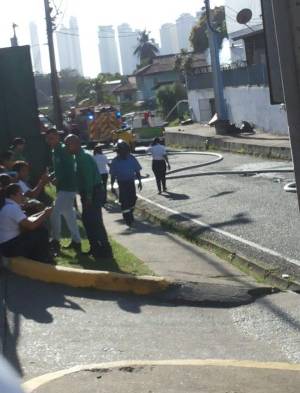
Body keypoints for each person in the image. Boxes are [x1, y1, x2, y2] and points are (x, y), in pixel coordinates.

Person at [65, 134, 112, 258]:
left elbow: (88, 179)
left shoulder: (83, 158)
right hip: (88, 192)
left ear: (75, 144)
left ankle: (104, 250)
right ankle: (95, 248)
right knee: (88, 221)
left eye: (68, 145)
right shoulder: (79, 156)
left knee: (95, 221)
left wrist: (89, 197)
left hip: (92, 192)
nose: (66, 148)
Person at [45, 128, 81, 254]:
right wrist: (53, 175)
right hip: (64, 188)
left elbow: (69, 168)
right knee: (68, 215)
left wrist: (57, 179)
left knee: (54, 212)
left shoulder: (62, 149)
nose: (50, 141)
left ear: (58, 137)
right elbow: (60, 168)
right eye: (48, 138)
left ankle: (55, 241)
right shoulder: (55, 150)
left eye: (52, 138)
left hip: (67, 187)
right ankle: (76, 241)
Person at [0, 184, 53, 263]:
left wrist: (43, 212)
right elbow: (31, 226)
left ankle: (40, 256)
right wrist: (45, 214)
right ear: (12, 196)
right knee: (41, 231)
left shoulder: (8, 206)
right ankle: (43, 259)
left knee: (37, 229)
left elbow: (27, 220)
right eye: (20, 193)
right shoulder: (12, 208)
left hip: (7, 246)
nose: (23, 195)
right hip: (9, 247)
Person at [110, 140, 142, 227]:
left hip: (131, 183)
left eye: (125, 150)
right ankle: (128, 218)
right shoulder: (115, 161)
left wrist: (139, 182)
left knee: (133, 199)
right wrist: (112, 186)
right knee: (124, 202)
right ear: (118, 151)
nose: (123, 152)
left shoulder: (132, 158)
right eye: (121, 151)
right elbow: (113, 175)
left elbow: (137, 170)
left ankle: (130, 213)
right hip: (122, 184)